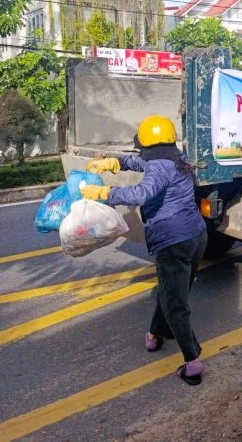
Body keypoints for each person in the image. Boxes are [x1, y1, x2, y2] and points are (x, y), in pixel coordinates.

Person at [80, 115, 208, 386]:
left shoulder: (159, 164)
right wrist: (115, 162)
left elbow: (141, 194)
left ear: (145, 143)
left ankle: (193, 361)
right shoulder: (177, 156)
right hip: (196, 236)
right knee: (172, 291)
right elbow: (142, 162)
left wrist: (105, 193)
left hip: (172, 241)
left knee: (175, 304)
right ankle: (154, 334)